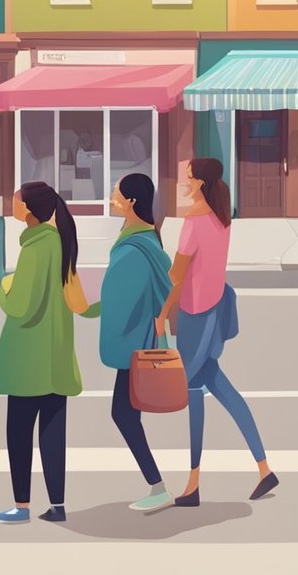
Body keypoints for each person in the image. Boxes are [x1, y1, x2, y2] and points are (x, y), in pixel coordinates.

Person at [158, 158, 278, 506]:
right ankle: (262, 467)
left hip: (195, 316)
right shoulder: (222, 217)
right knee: (221, 390)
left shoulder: (194, 221)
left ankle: (194, 484)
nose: (185, 183)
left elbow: (176, 277)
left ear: (200, 183)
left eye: (189, 178)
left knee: (194, 392)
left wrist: (163, 313)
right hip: (215, 312)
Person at [0, 181, 82, 525]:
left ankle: (21, 506)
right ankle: (57, 505)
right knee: (53, 436)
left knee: (19, 435)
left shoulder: (35, 248)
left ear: (28, 208)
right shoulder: (58, 242)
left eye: (17, 198)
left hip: (28, 359)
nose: (12, 202)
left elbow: (20, 306)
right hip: (55, 356)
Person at [77, 174, 173, 511]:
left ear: (131, 201)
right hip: (139, 343)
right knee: (124, 415)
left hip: (136, 346)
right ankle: (157, 485)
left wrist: (91, 309)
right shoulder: (142, 241)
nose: (112, 196)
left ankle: (159, 487)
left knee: (124, 415)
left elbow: (122, 299)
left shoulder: (135, 247)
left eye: (116, 192)